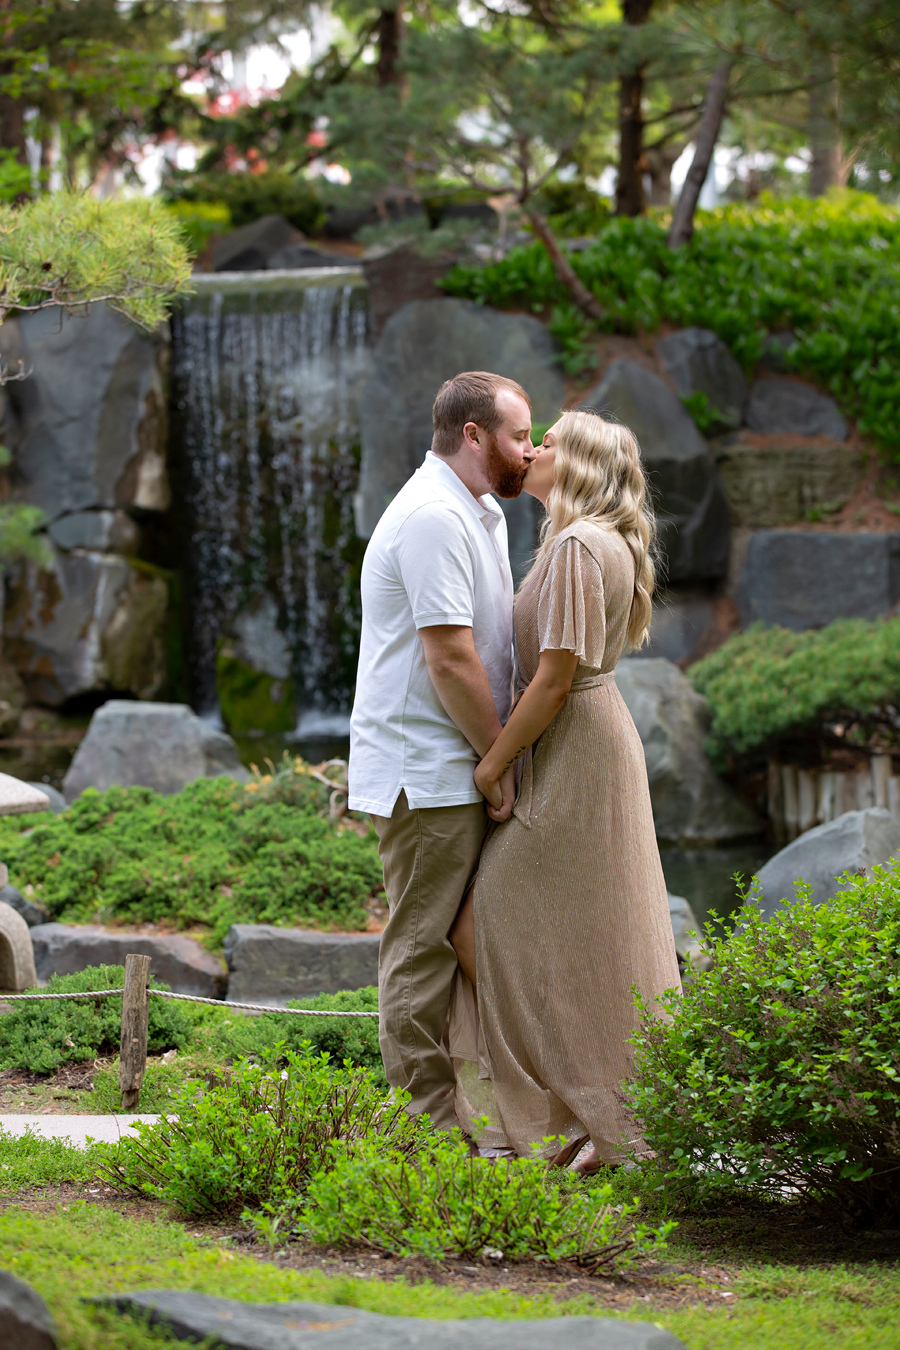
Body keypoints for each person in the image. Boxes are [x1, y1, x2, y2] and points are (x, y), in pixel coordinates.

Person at [448, 408, 681, 1172]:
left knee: (486, 922)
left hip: (576, 745)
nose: (535, 449)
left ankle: (579, 1111)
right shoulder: (591, 541)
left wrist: (493, 764)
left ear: (577, 463)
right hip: (588, 739)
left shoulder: (581, 545)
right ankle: (582, 1117)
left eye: (549, 441)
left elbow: (551, 681)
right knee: (581, 932)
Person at [348, 370, 533, 1133]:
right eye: (520, 436)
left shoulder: (476, 507)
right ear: (473, 436)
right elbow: (449, 658)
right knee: (421, 950)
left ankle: (481, 1119)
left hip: (456, 766)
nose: (532, 450)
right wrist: (496, 760)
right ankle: (420, 1137)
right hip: (430, 774)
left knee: (458, 942)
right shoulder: (431, 515)